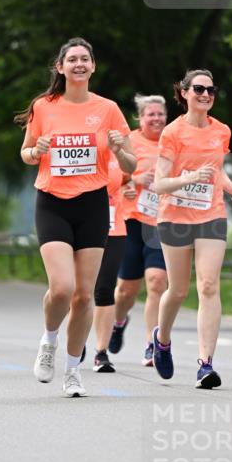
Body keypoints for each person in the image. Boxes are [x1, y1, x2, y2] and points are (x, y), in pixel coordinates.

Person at [16, 37, 136, 398]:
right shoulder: (44, 106)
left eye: (85, 58)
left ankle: (72, 370)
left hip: (93, 204)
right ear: (61, 67)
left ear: (93, 66)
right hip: (52, 202)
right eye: (72, 59)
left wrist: (118, 150)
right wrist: (34, 151)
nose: (79, 64)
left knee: (84, 296)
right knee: (63, 288)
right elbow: (25, 153)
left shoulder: (109, 109)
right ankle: (48, 341)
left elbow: (131, 164)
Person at [152, 69, 232, 388]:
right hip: (175, 217)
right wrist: (189, 178)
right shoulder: (172, 133)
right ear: (184, 93)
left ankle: (205, 364)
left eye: (210, 89)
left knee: (208, 285)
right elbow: (159, 183)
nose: (206, 94)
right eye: (199, 89)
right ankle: (162, 339)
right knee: (177, 290)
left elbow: (215, 173)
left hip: (211, 215)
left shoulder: (222, 131)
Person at [110, 94, 168, 365]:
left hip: (162, 223)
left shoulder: (174, 141)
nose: (156, 118)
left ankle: (151, 344)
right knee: (126, 290)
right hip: (132, 220)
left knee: (157, 282)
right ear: (140, 118)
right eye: (150, 114)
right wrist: (134, 178)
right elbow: (112, 177)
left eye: (160, 114)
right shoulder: (130, 142)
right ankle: (118, 321)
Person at [92, 155, 127, 372]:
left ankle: (101, 352)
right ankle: (74, 339)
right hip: (82, 226)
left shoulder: (118, 153)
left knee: (105, 288)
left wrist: (129, 187)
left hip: (114, 227)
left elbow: (128, 176)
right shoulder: (77, 144)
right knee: (78, 290)